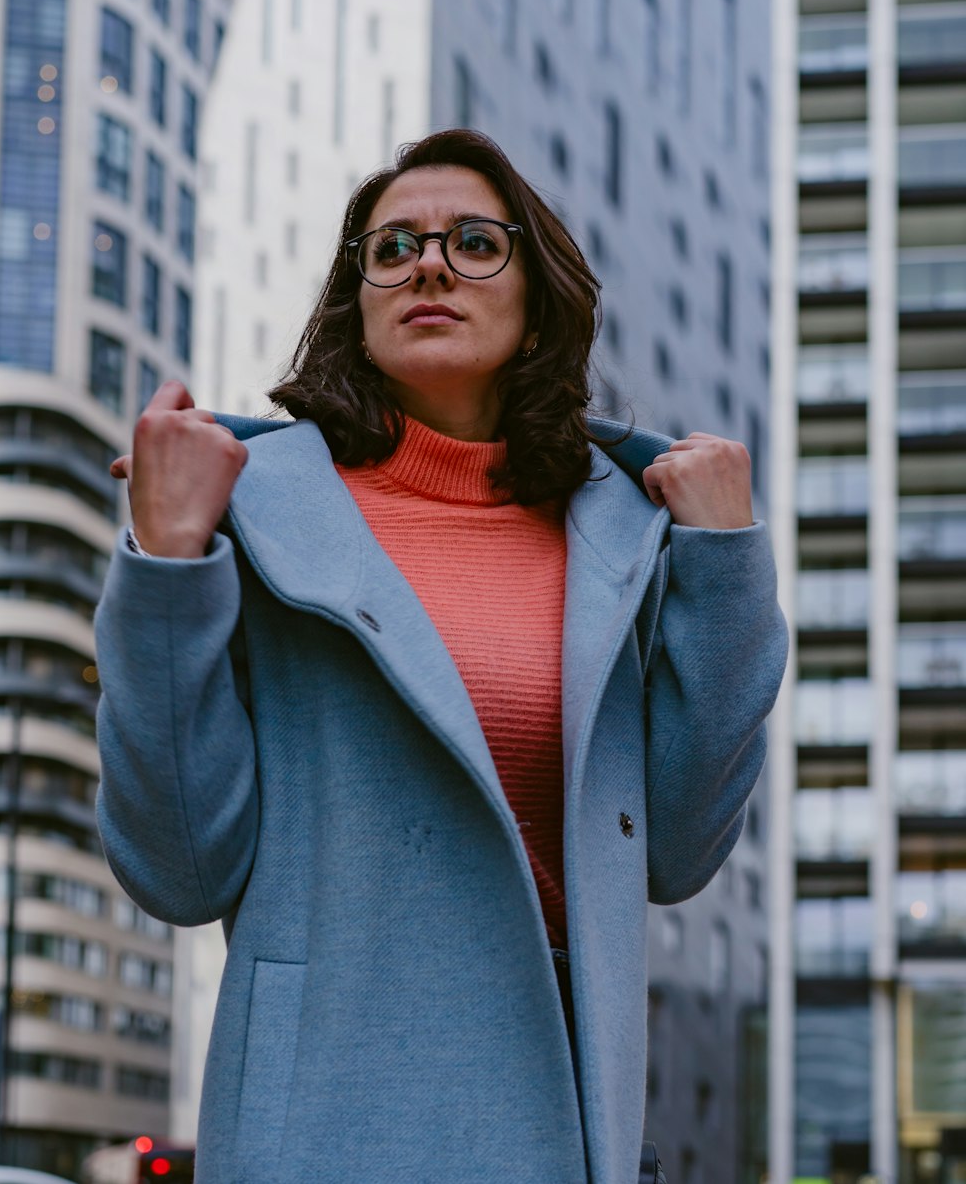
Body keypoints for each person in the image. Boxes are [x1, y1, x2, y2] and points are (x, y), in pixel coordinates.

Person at [96, 129, 787, 1184]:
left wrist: (725, 563)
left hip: (560, 1107)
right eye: (391, 248)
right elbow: (179, 868)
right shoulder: (248, 511)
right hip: (318, 1112)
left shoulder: (617, 532)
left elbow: (681, 852)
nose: (428, 264)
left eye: (474, 242)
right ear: (356, 301)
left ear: (536, 298)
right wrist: (166, 558)